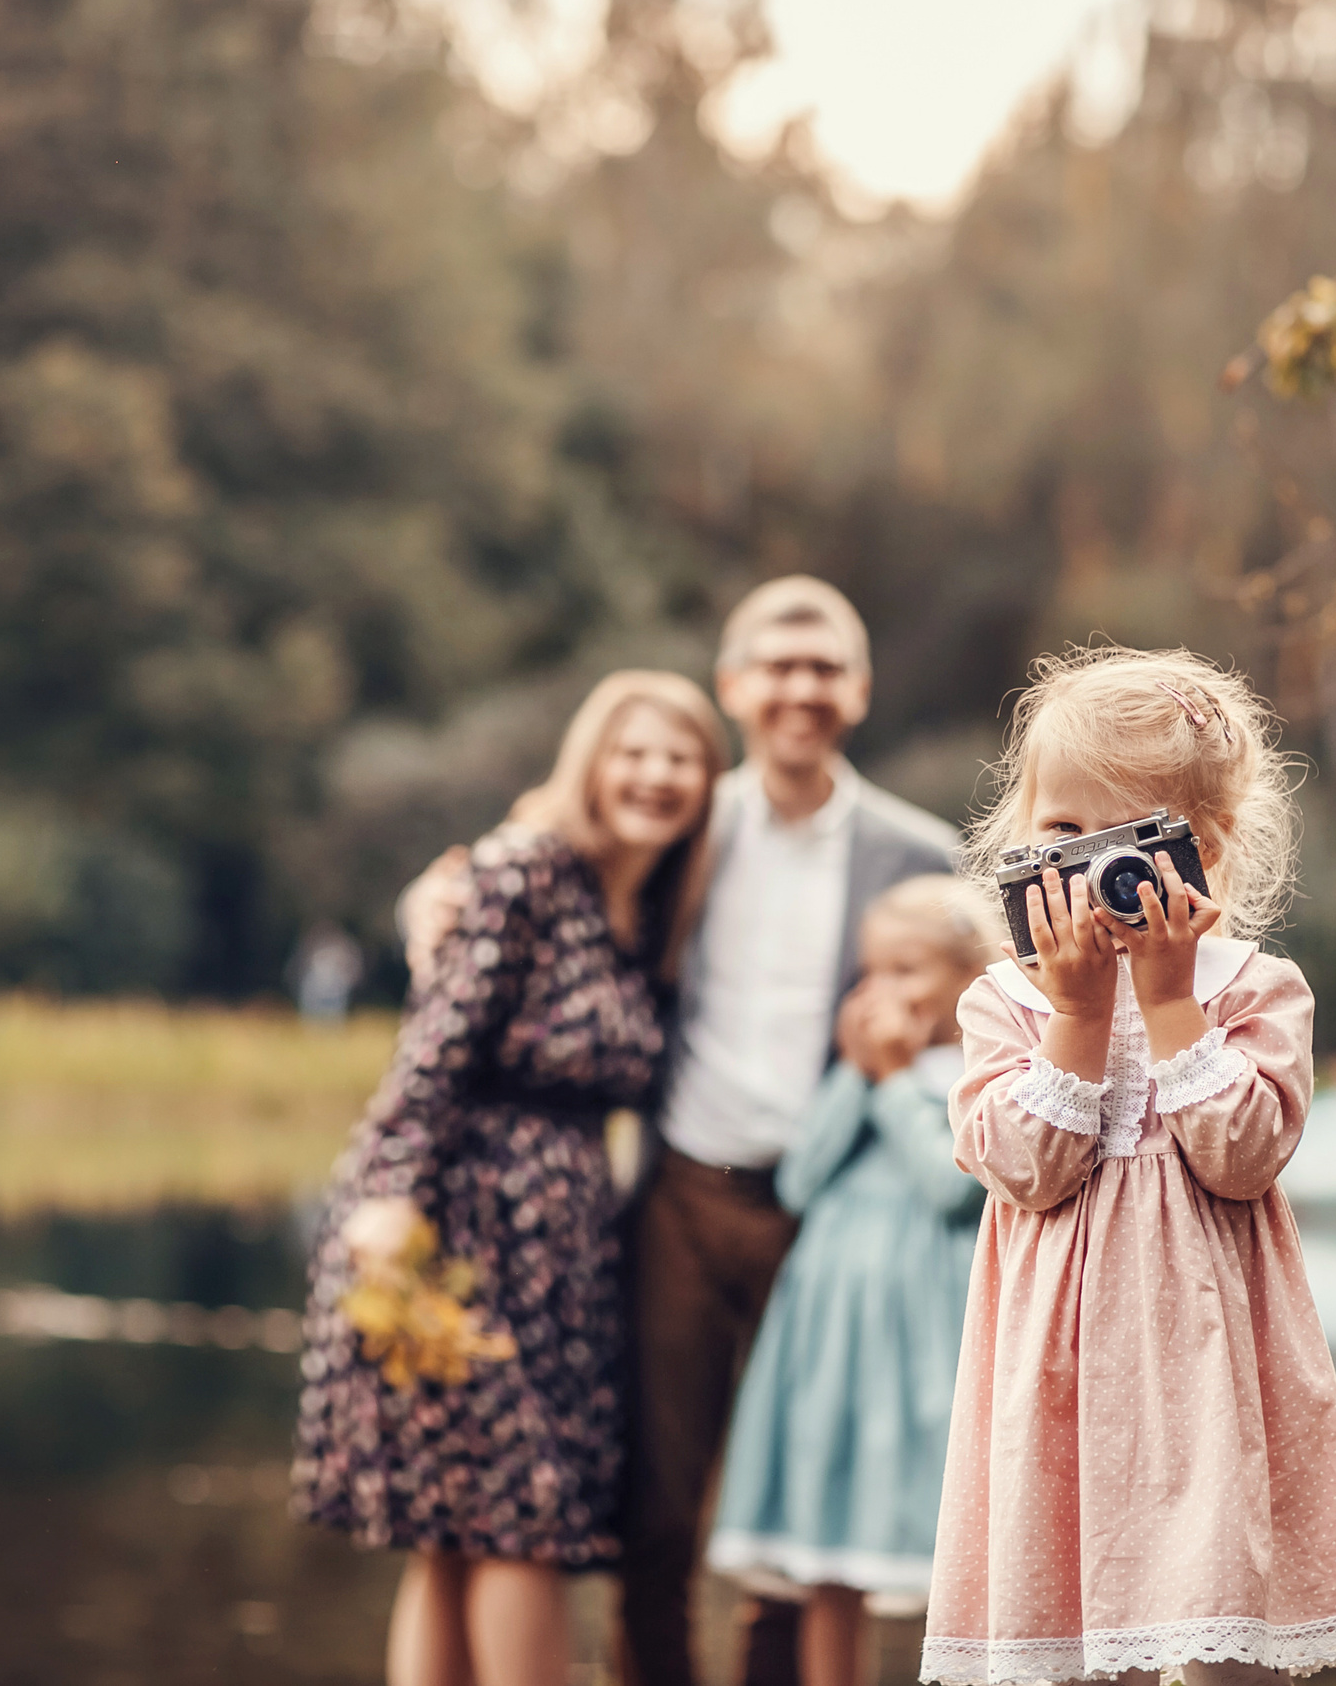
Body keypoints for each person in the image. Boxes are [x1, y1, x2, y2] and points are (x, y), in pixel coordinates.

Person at [401, 576, 958, 1686]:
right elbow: (525, 889)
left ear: (858, 688)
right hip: (680, 1198)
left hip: (833, 1207)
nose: (802, 688)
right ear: (735, 686)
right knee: (655, 1504)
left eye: (825, 667)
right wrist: (422, 918)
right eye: (778, 665)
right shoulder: (679, 823)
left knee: (804, 1508)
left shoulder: (921, 854)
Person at [920, 648, 1336, 1686]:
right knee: (1077, 1628)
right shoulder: (1004, 1000)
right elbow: (1024, 1170)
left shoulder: (1255, 988)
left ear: (1203, 848)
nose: (1087, 866)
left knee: (1215, 1624)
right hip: (1059, 1359)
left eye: (1126, 836)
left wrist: (1171, 1000)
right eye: (1059, 831)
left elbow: (1241, 1158)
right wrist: (1081, 1015)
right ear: (1017, 829)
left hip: (1207, 1357)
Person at [292, 670, 728, 1686]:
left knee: (459, 1527)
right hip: (454, 1220)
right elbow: (431, 1048)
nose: (655, 775)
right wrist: (391, 1197)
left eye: (680, 758)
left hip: (564, 1242)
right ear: (589, 761)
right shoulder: (526, 869)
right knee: (513, 1516)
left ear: (707, 786)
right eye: (634, 751)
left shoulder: (648, 909)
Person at [705, 875, 996, 1686]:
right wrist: (855, 1074)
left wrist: (897, 1078)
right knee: (829, 1549)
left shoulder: (979, 1074)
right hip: (831, 1330)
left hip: (923, 1332)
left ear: (972, 978)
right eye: (872, 972)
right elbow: (799, 1182)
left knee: (946, 1536)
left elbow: (949, 1189)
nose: (883, 992)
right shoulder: (864, 1069)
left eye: (909, 971)